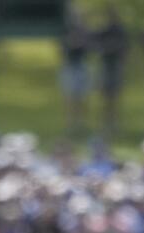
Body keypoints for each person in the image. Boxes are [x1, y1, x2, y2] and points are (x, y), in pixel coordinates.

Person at [94, 6, 129, 139]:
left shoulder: (120, 31)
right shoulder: (103, 30)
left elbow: (124, 49)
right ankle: (104, 125)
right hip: (105, 66)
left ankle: (114, 124)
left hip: (115, 66)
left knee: (114, 97)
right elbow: (96, 45)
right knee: (104, 97)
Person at [60, 7, 93, 137]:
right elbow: (65, 45)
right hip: (70, 65)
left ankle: (80, 124)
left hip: (81, 65)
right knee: (69, 97)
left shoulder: (84, 30)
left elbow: (87, 45)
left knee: (82, 97)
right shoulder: (65, 29)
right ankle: (69, 125)